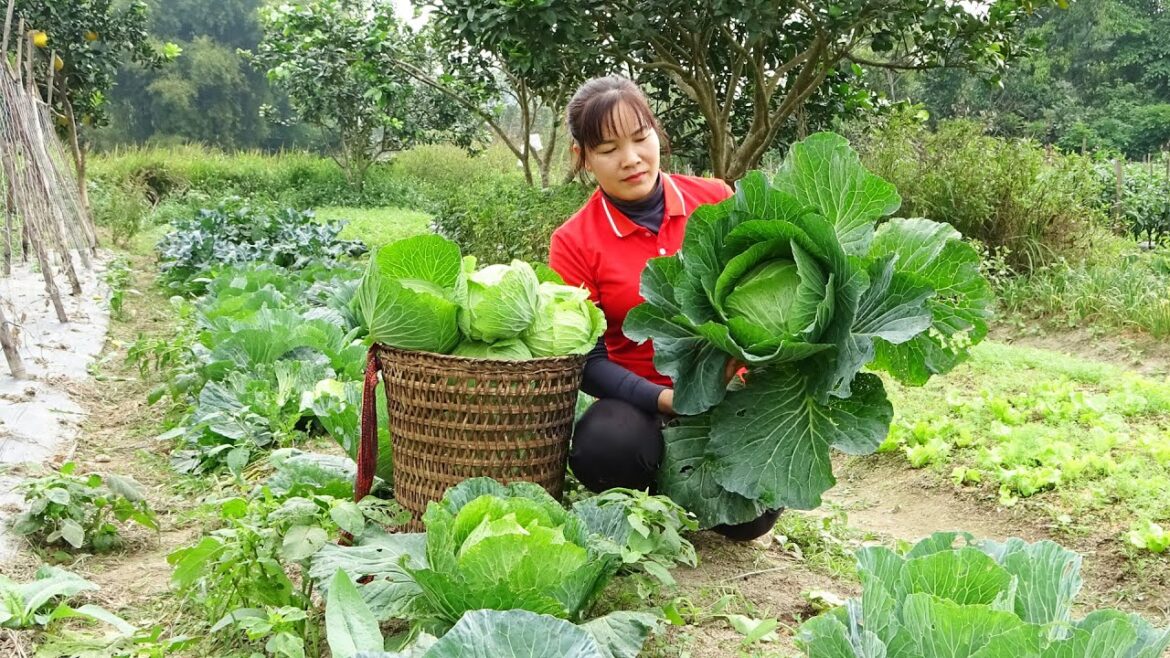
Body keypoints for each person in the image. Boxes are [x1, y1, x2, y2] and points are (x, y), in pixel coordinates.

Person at [548, 75, 781, 542]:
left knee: (750, 522)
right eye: (609, 148)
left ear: (657, 133)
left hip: (731, 393)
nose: (631, 159)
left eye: (641, 138)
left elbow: (765, 291)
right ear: (583, 157)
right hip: (640, 405)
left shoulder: (716, 199)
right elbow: (588, 362)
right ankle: (655, 484)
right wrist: (667, 400)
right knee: (603, 446)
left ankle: (687, 483)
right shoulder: (573, 242)